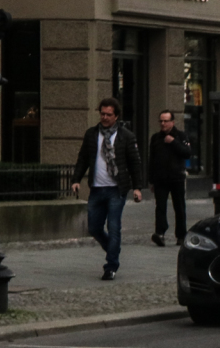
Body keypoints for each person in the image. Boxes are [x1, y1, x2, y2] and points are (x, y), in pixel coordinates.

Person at [71, 98, 143, 280]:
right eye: (102, 114)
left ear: (116, 116)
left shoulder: (126, 136)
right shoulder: (92, 134)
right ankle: (113, 247)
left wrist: (137, 188)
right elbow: (83, 159)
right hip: (96, 188)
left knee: (114, 227)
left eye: (108, 115)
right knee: (94, 227)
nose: (104, 117)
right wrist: (76, 179)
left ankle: (111, 265)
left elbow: (135, 163)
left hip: (116, 189)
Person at [147, 110, 192, 247]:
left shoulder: (180, 136)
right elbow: (152, 159)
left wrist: (173, 142)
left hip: (176, 178)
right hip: (160, 178)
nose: (163, 123)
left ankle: (181, 235)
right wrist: (151, 180)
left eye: (166, 121)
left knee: (179, 207)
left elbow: (187, 153)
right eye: (161, 121)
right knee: (160, 207)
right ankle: (160, 233)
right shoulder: (155, 138)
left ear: (172, 122)